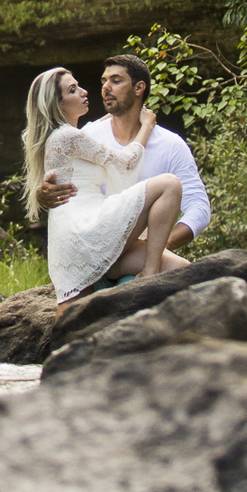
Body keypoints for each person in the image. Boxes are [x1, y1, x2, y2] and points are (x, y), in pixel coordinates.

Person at [22, 67, 190, 307]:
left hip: (88, 237)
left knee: (181, 269)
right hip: (86, 233)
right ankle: (150, 275)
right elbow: (125, 163)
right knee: (169, 185)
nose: (84, 91)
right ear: (57, 104)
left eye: (79, 85)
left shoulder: (65, 135)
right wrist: (146, 126)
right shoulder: (67, 136)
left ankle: (132, 290)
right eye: (73, 90)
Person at [33, 53, 212, 247]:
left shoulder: (171, 145)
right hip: (95, 250)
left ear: (139, 88)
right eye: (104, 81)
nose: (105, 87)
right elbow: (67, 189)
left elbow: (198, 207)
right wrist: (44, 194)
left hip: (144, 256)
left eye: (116, 81)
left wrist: (156, 246)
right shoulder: (88, 135)